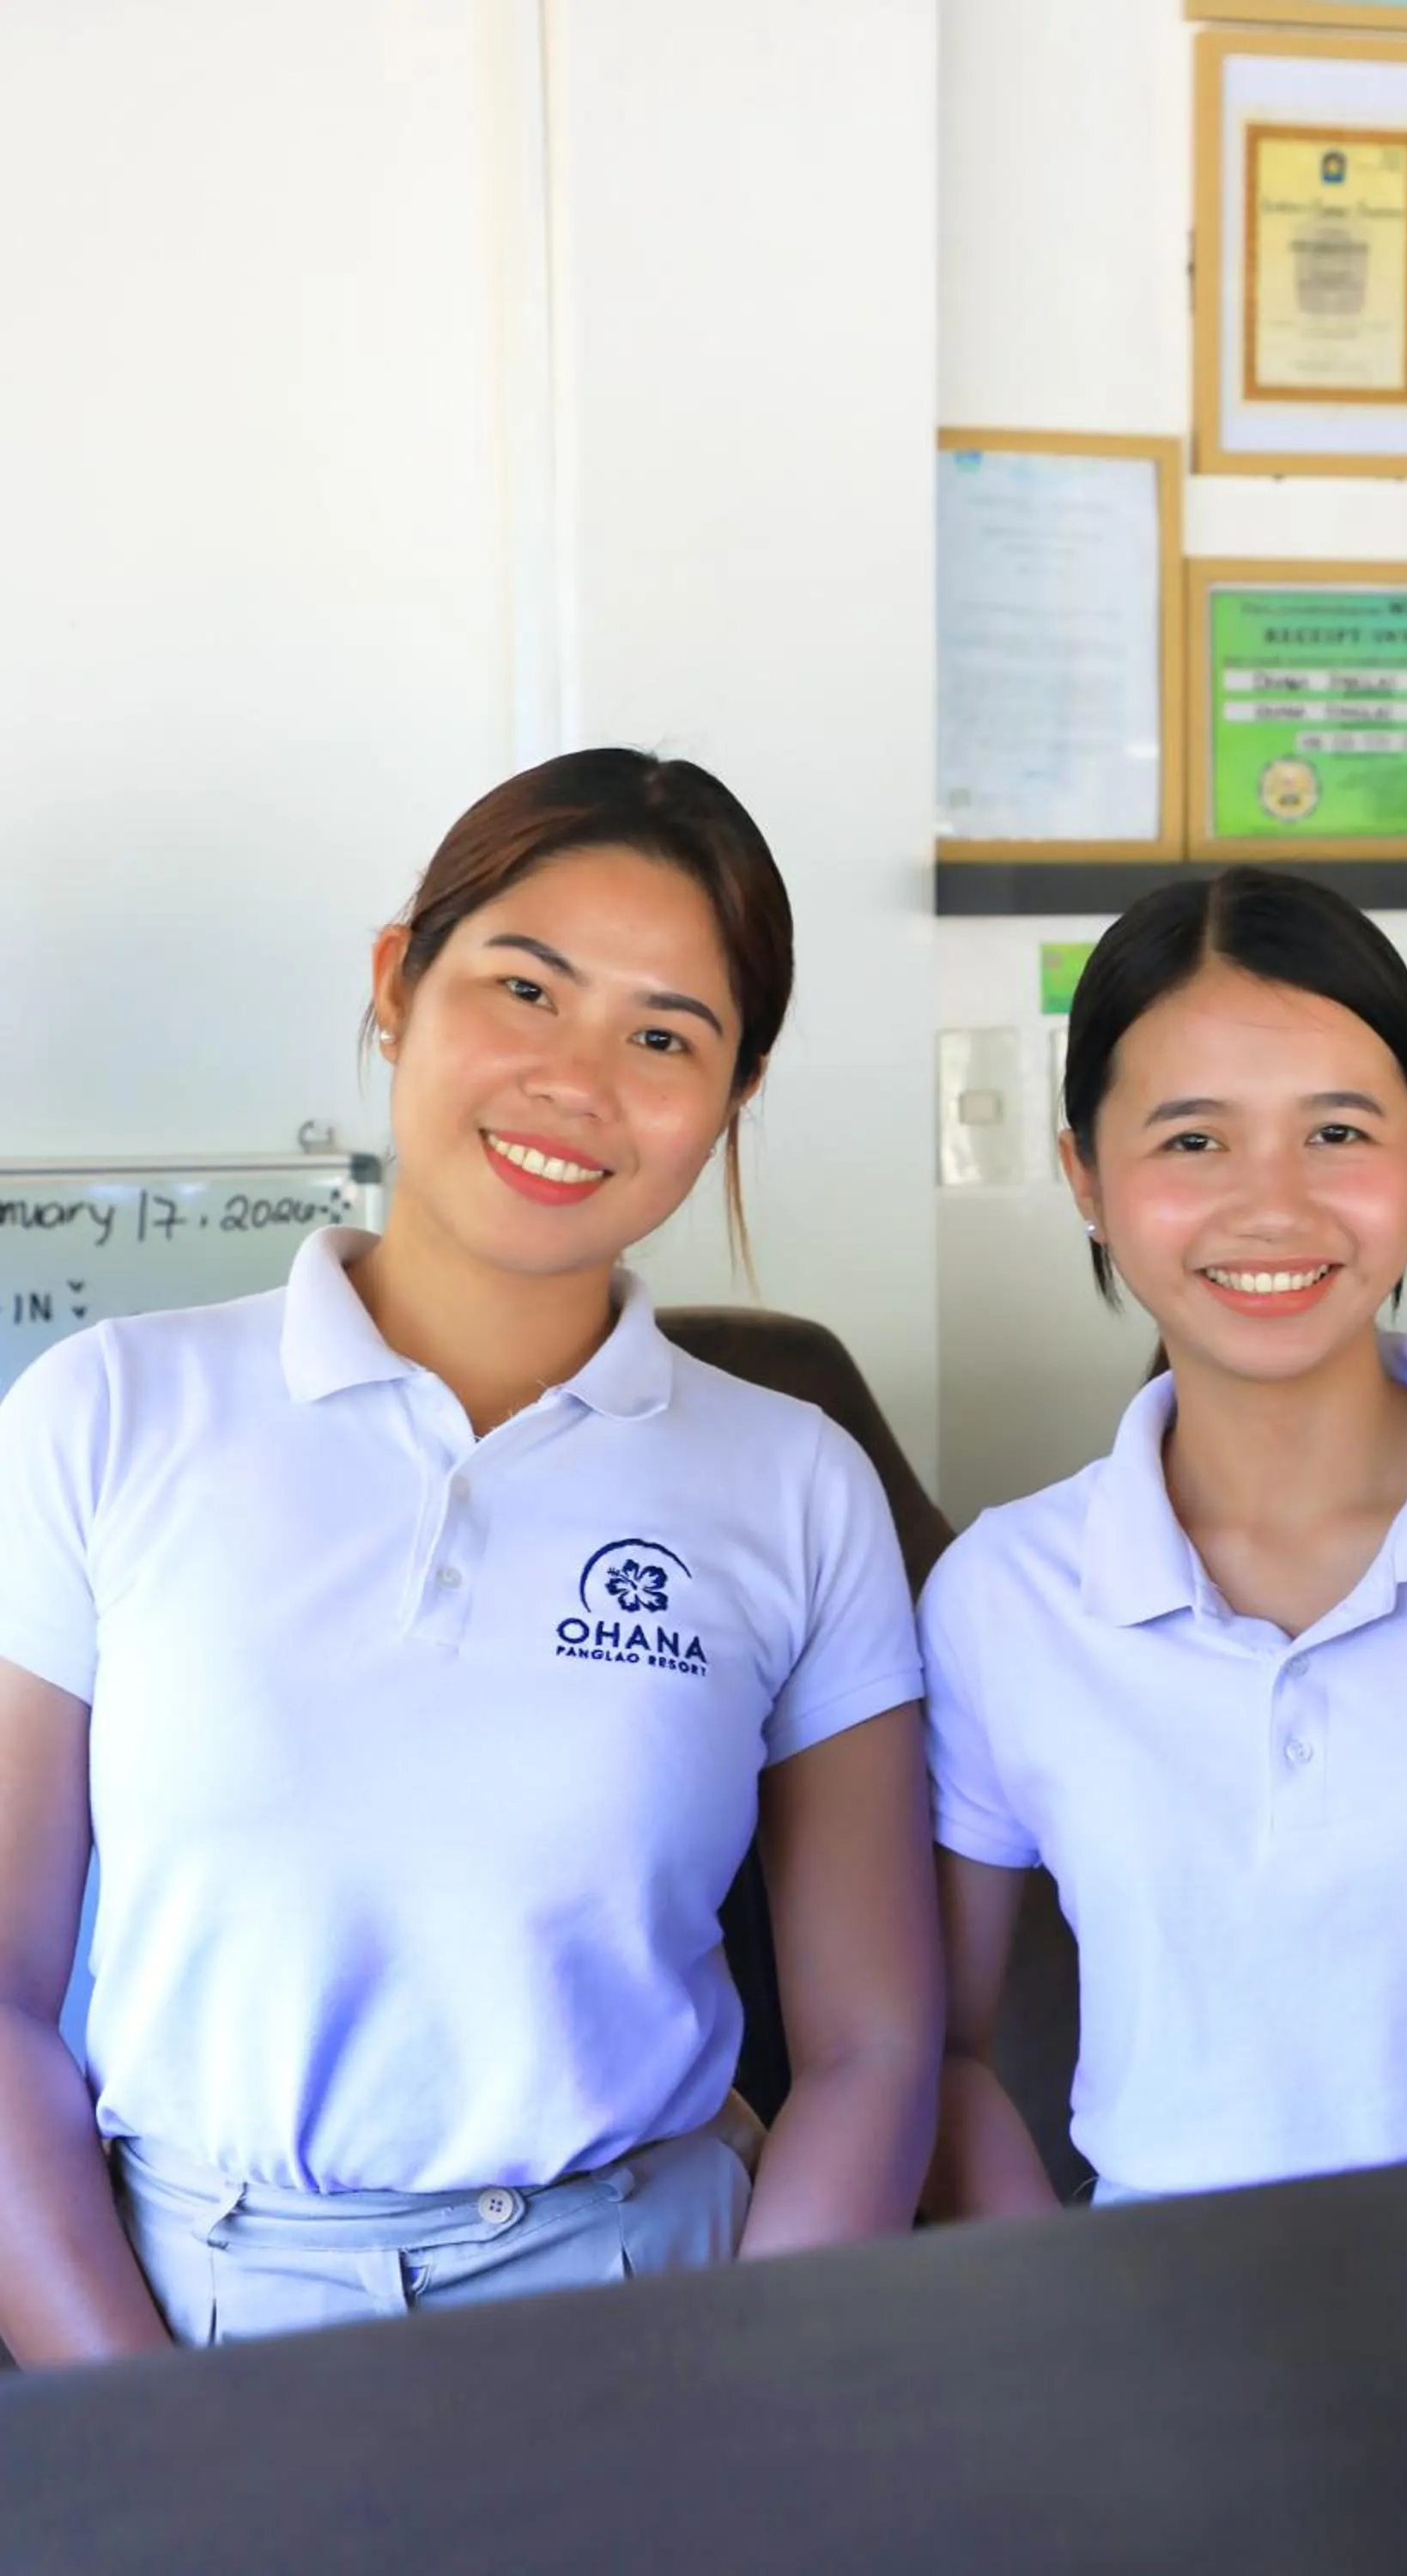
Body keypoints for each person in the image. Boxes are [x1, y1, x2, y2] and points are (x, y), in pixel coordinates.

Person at [0, 748, 941, 2366]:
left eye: (665, 1035)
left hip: (664, 2303)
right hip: (196, 2313)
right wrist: (135, 2420)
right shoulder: (108, 1413)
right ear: (396, 983)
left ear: (733, 1096)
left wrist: (762, 2391)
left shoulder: (795, 1479)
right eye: (526, 988)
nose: (578, 1079)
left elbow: (873, 2040)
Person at [920, 866, 1407, 2218]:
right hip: (1155, 2356)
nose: (1273, 1206)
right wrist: (1059, 2315)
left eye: (1338, 1132)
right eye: (1192, 1141)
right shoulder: (1006, 1592)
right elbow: (935, 2054)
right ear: (1086, 1179)